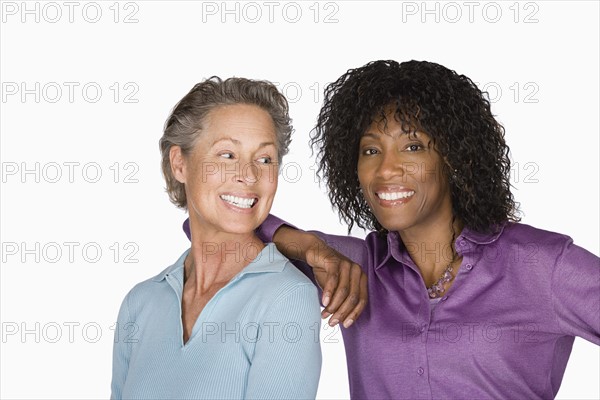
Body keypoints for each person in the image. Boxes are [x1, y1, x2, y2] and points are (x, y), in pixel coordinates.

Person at [185, 61, 600, 398]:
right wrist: (310, 247)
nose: (386, 169)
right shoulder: (352, 268)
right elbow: (217, 225)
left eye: (413, 146)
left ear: (455, 156)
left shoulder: (541, 265)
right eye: (370, 150)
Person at [111, 77, 322, 399]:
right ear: (179, 163)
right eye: (227, 155)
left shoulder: (286, 298)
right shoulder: (140, 303)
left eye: (265, 159)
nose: (249, 175)